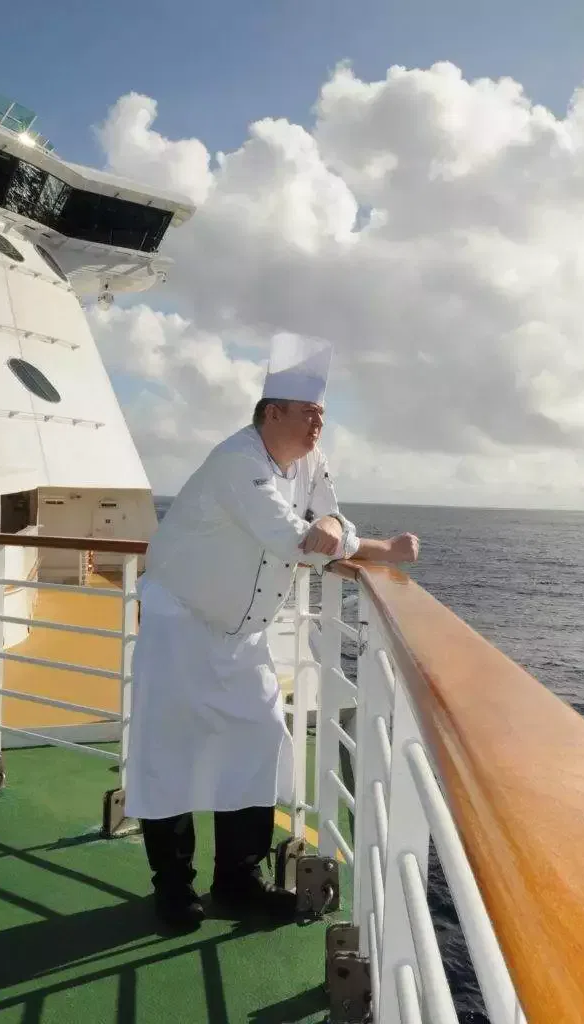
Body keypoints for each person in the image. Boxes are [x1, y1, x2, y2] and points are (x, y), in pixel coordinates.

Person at [125, 336, 419, 929]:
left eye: (322, 414)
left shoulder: (310, 460)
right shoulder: (237, 462)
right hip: (181, 623)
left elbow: (329, 519)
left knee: (257, 741)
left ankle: (238, 881)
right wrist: (384, 549)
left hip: (241, 635)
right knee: (169, 754)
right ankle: (173, 890)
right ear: (272, 413)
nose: (318, 424)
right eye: (309, 413)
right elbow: (295, 539)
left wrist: (333, 521)